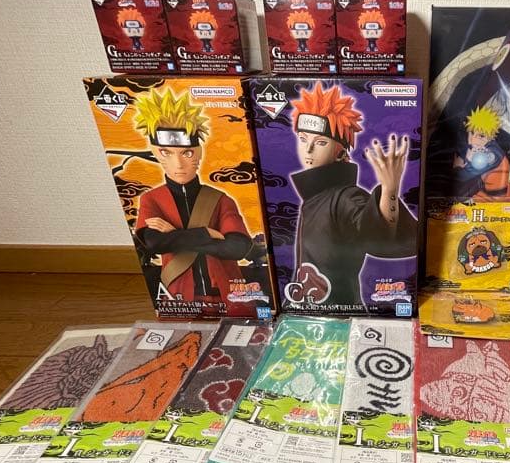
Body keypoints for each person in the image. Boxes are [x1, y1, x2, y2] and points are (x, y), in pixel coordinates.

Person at [286, 81, 418, 308]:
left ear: (340, 152)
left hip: (342, 312)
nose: (308, 150)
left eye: (320, 142)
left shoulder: (345, 197)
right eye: (303, 139)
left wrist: (389, 190)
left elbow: (378, 236)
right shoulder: (314, 197)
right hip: (310, 311)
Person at [132, 88, 254, 307]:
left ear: (199, 152)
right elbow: (155, 243)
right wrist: (207, 233)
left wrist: (176, 236)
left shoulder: (220, 199)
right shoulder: (152, 199)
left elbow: (238, 248)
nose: (178, 164)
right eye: (166, 152)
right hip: (178, 295)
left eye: (187, 153)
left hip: (228, 294)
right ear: (156, 153)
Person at [452, 105, 510, 201]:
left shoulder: (489, 155)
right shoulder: (480, 146)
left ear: (490, 138)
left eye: (481, 136)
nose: (473, 139)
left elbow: (461, 177)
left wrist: (461, 165)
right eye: (472, 133)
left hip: (495, 198)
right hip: (486, 192)